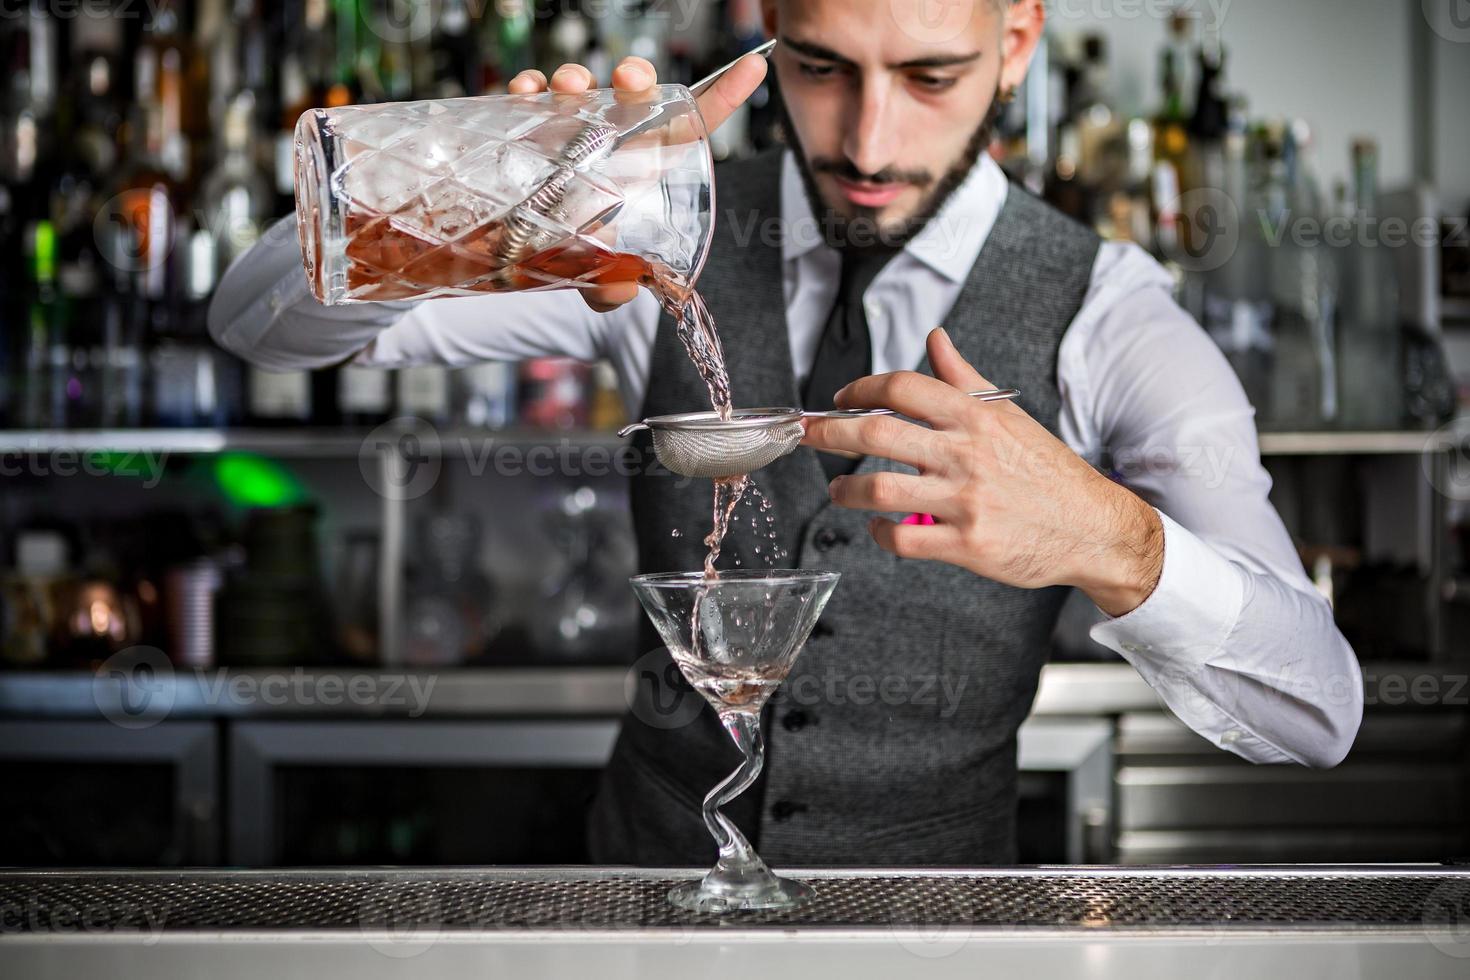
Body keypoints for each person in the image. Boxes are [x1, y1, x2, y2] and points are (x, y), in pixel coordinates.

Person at [211, 0, 1363, 866]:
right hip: (646, 912)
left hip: (938, 939)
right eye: (819, 68)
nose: (868, 141)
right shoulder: (644, 228)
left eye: (931, 74)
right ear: (767, 32)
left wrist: (1114, 538)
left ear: (1016, 43)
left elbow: (1318, 709)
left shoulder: (1107, 314)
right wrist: (471, 192)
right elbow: (256, 325)